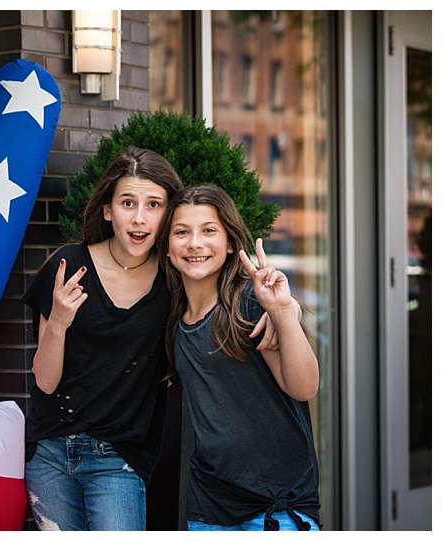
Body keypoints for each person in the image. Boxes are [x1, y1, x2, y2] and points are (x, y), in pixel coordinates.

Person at [22, 146, 182, 530]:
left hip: (120, 459)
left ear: (168, 214)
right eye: (128, 203)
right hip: (51, 455)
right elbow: (44, 381)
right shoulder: (69, 267)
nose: (140, 218)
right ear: (108, 210)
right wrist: (59, 321)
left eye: (154, 205)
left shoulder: (175, 281)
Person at [159, 184, 321, 531]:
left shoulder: (249, 304)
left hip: (275, 507)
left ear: (230, 243)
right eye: (181, 232)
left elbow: (304, 386)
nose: (195, 243)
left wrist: (282, 311)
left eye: (209, 231)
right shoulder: (173, 320)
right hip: (208, 507)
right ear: (168, 249)